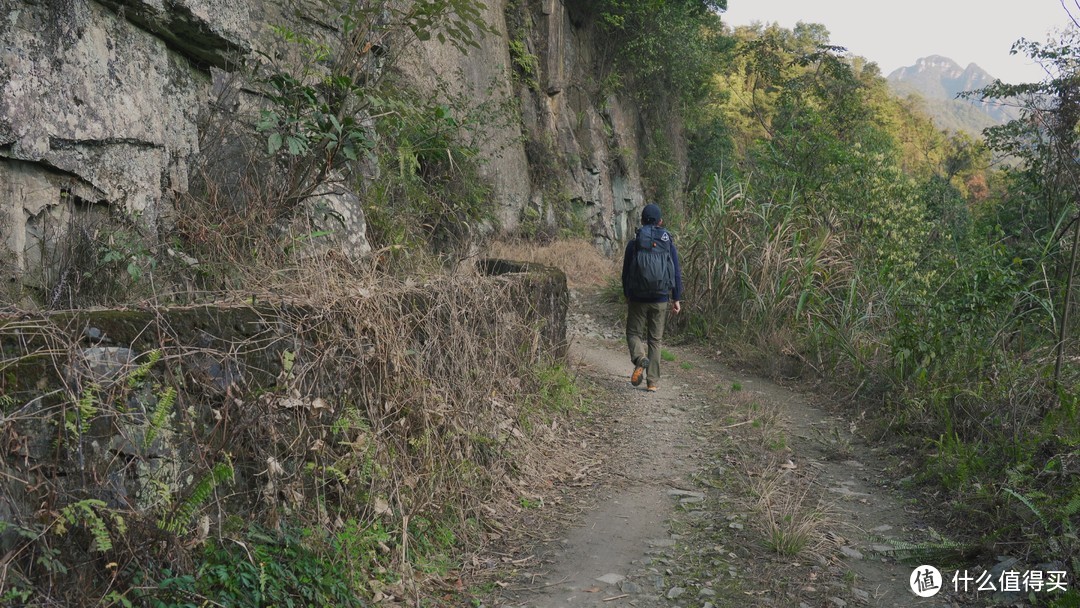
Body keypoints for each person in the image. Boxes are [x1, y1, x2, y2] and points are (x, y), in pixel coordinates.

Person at [621, 203, 682, 392]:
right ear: (660, 222)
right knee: (655, 340)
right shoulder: (668, 243)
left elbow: (625, 273)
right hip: (660, 298)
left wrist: (627, 294)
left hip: (638, 298)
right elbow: (676, 272)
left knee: (633, 333)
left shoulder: (635, 243)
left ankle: (640, 358)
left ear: (641, 221)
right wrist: (676, 298)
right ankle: (652, 382)